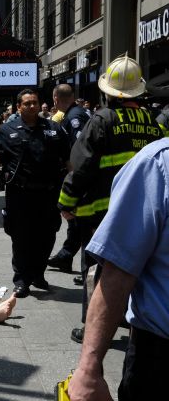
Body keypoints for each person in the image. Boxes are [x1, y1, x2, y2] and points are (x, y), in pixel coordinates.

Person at [57, 54, 163, 344]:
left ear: (107, 92)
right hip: (142, 214)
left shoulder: (102, 120)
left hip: (102, 214)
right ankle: (129, 318)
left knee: (95, 271)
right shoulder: (153, 123)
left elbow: (82, 166)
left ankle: (91, 328)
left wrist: (66, 203)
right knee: (134, 267)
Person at [66, 138, 169, 401]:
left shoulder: (156, 163)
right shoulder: (157, 162)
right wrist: (89, 369)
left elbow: (117, 272)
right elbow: (118, 271)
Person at [0, 88, 70, 298]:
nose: (32, 106)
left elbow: (68, 158)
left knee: (47, 236)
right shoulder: (8, 129)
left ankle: (38, 274)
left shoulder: (54, 129)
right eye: (27, 103)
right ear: (19, 107)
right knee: (21, 238)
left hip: (49, 195)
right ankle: (21, 280)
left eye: (35, 103)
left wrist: (73, 185)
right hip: (20, 195)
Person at [47, 84, 90, 273]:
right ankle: (65, 256)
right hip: (80, 177)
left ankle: (86, 268)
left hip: (79, 178)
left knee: (80, 221)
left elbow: (78, 152)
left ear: (55, 99)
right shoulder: (76, 113)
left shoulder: (74, 118)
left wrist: (74, 184)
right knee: (76, 222)